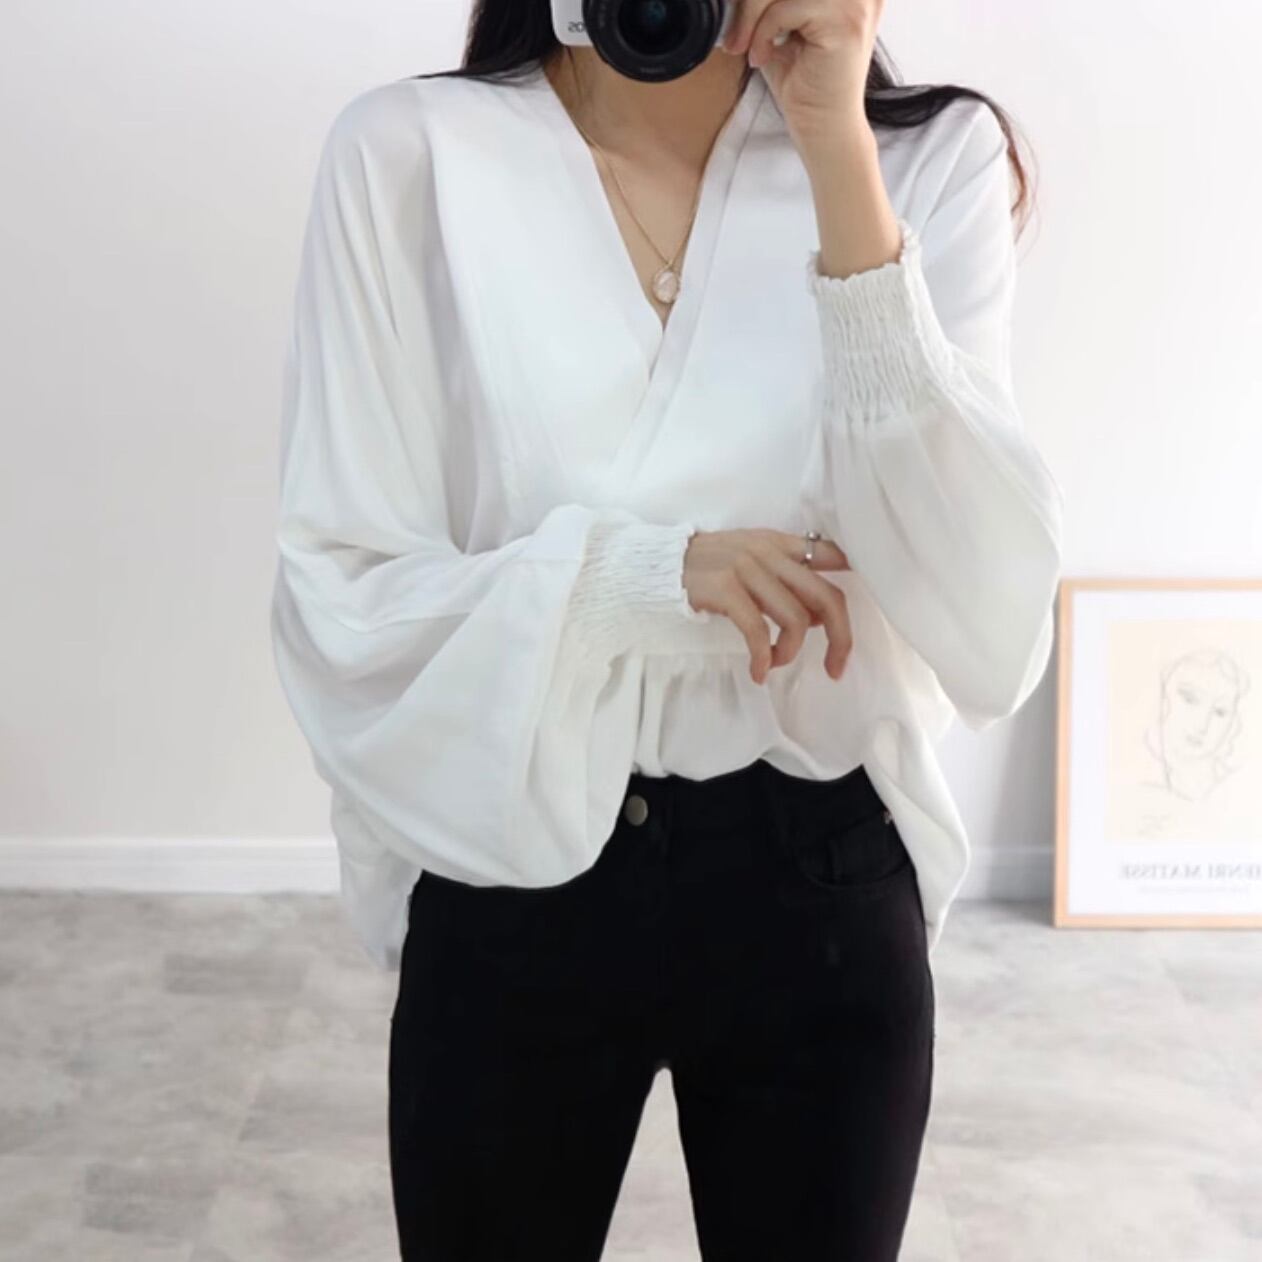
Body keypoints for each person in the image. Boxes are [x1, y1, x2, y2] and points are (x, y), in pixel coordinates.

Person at [269, 1, 1064, 1257]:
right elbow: (342, 590)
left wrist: (834, 151)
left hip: (817, 870)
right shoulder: (408, 154)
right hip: (515, 854)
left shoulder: (923, 161)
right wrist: (641, 576)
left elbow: (984, 615)